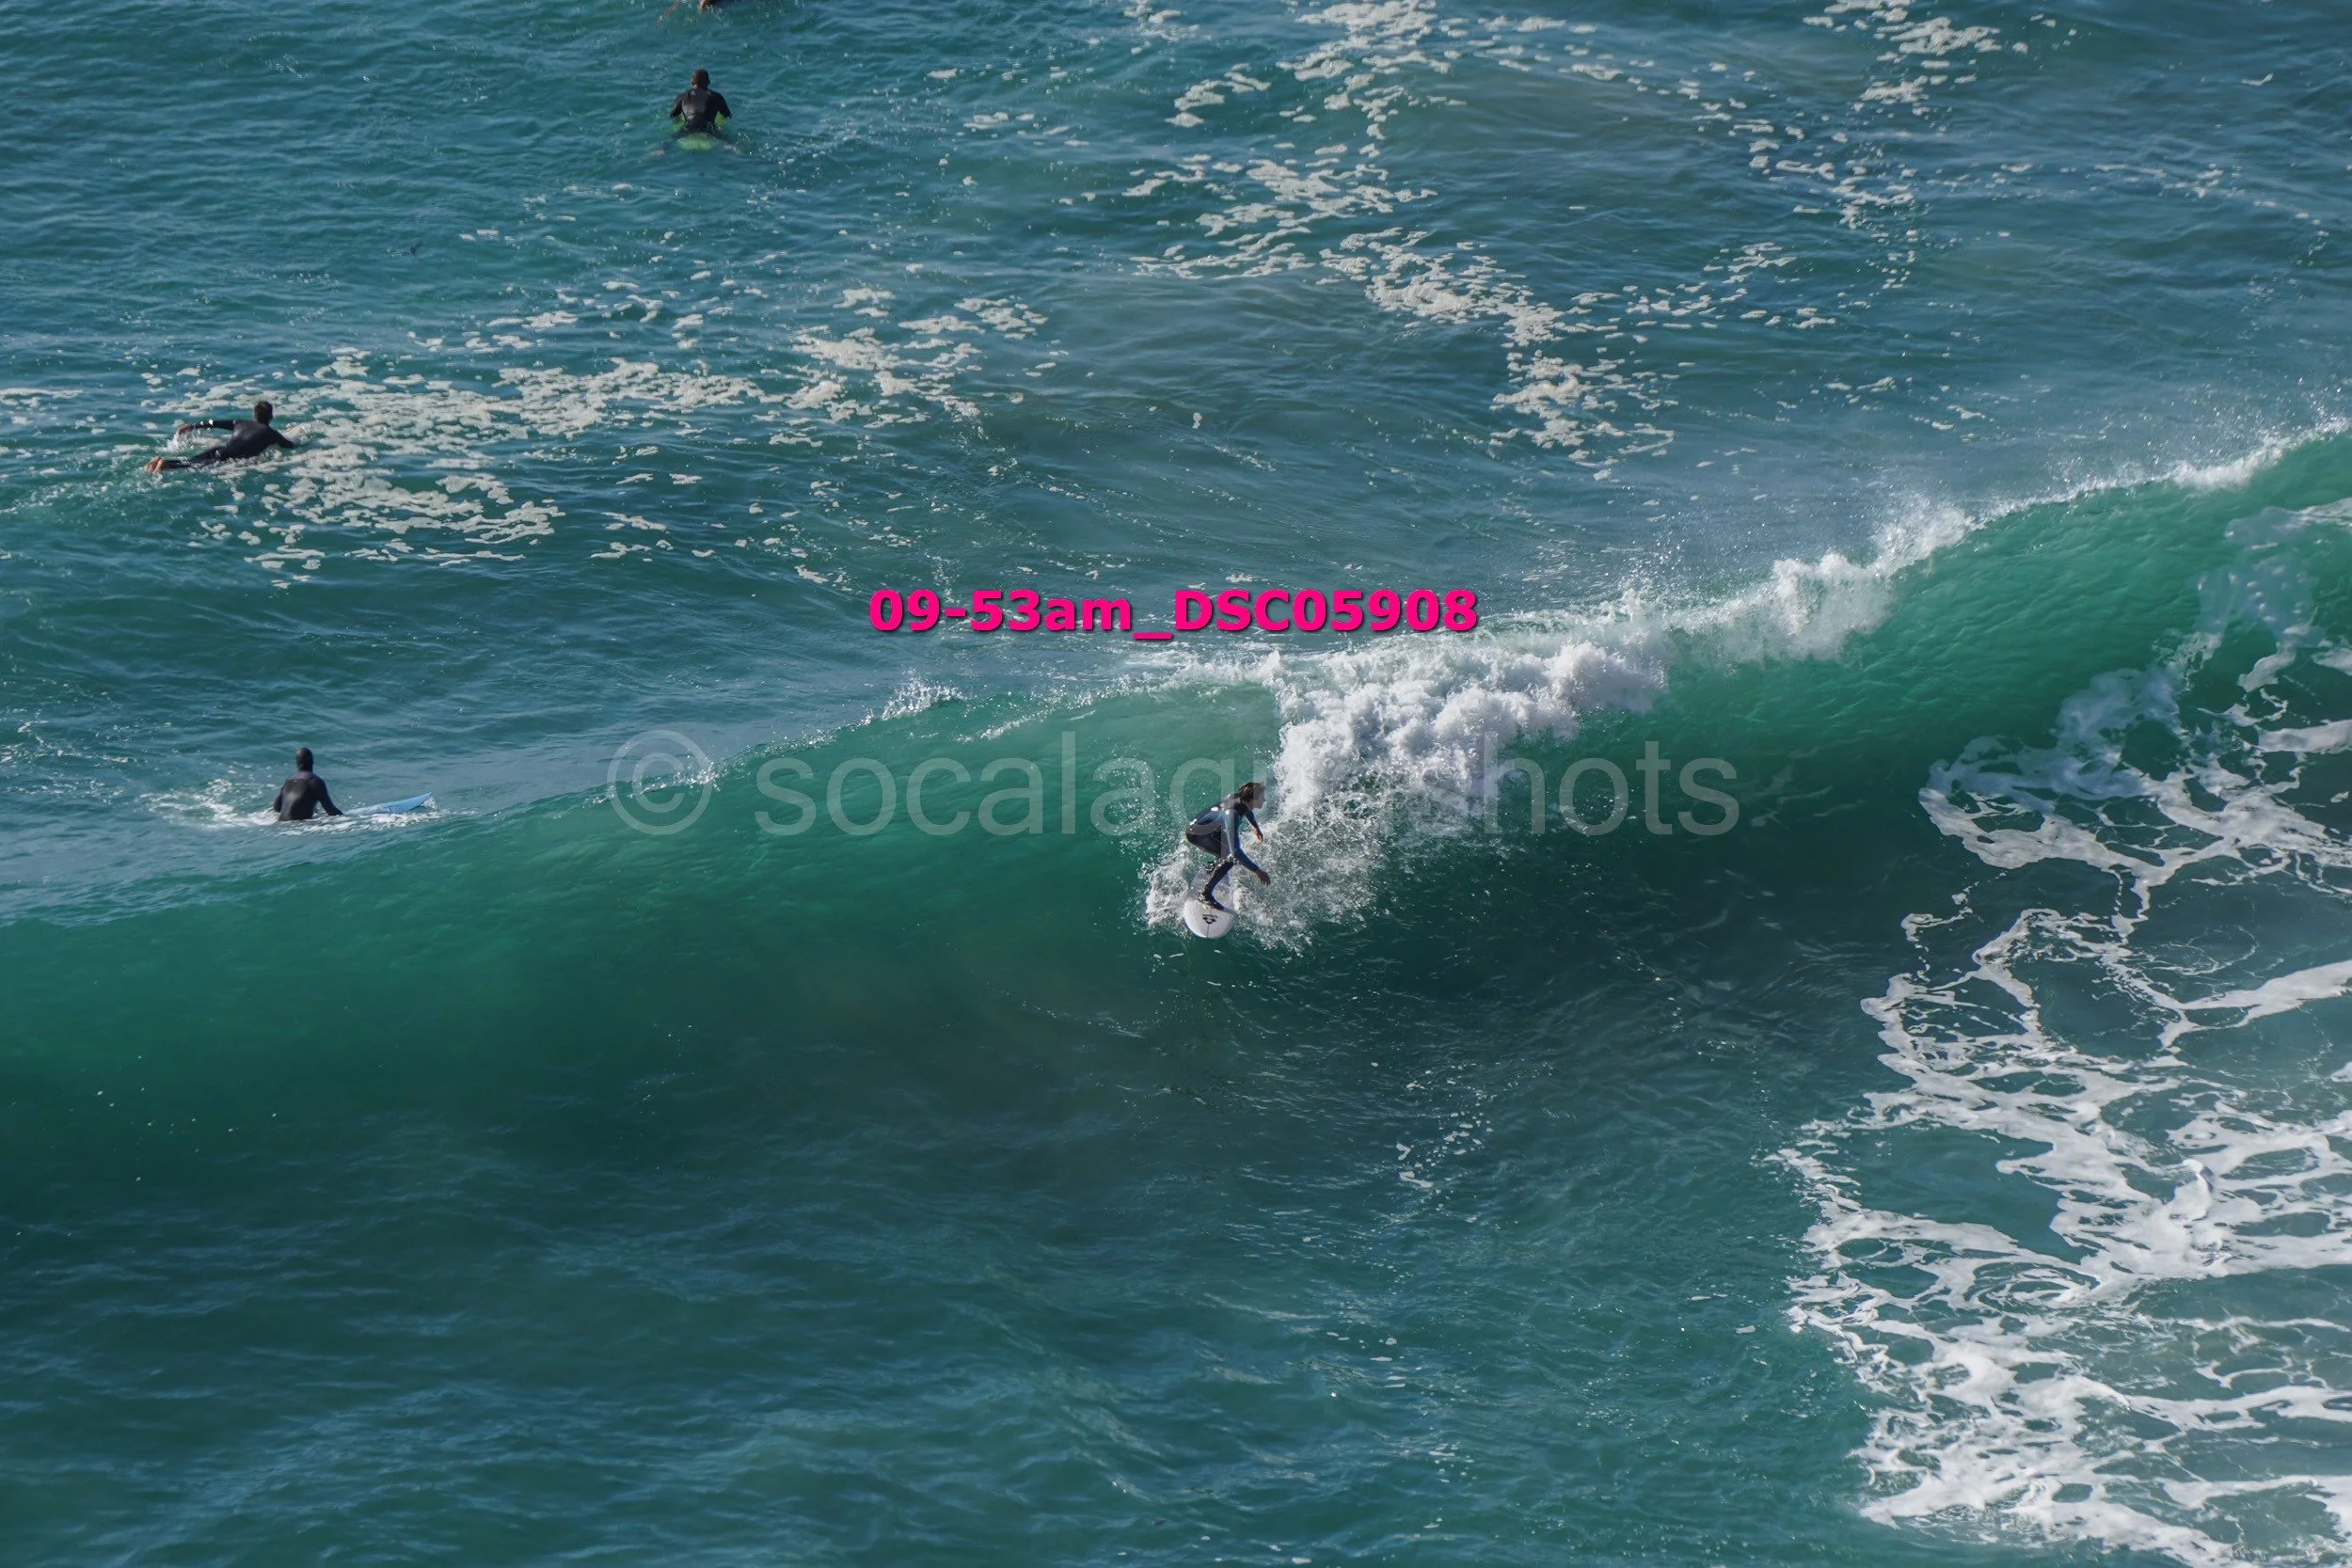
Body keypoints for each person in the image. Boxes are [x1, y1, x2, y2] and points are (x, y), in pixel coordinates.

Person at [1184, 782, 1269, 913]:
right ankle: (1205, 894)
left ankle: (1214, 866)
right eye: (1262, 797)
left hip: (1210, 828)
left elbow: (1247, 809)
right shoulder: (1233, 814)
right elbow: (1234, 852)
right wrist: (1257, 870)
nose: (1264, 799)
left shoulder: (1240, 799)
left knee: (1225, 849)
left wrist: (1255, 827)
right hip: (1197, 834)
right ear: (1252, 799)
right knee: (1230, 858)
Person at [146, 401, 294, 473]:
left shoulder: (240, 422)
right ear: (271, 416)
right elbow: (290, 446)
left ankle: (157, 462)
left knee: (190, 461)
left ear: (254, 414)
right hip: (228, 457)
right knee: (191, 466)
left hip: (219, 449)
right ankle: (163, 464)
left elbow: (213, 423)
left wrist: (192, 426)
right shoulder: (272, 434)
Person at [271, 748, 343, 822]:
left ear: (297, 763)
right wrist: (347, 818)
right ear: (312, 762)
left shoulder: (288, 781)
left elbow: (277, 808)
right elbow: (330, 810)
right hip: (299, 826)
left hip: (282, 823)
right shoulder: (315, 781)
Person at [671, 69, 731, 135]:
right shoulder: (717, 96)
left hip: (690, 126)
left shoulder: (682, 96)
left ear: (692, 82)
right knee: (727, 140)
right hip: (707, 127)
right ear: (709, 82)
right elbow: (727, 115)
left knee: (671, 139)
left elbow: (673, 116)